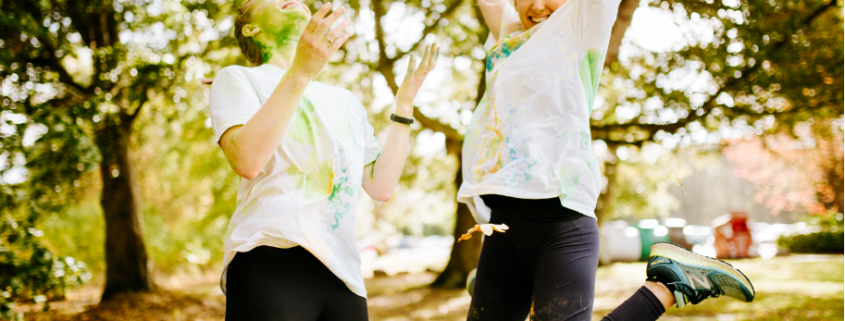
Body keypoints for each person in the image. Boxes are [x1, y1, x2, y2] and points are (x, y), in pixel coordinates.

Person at [457, 0, 755, 320]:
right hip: (503, 227)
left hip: (560, 224)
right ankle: (525, 291)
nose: (538, 4)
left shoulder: (580, 27)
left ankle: (670, 284)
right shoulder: (508, 33)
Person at [208, 0, 438, 320]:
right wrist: (300, 71)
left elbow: (381, 186)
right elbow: (247, 160)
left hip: (344, 275)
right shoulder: (237, 78)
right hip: (270, 259)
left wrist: (405, 105)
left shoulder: (346, 101)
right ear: (251, 28)